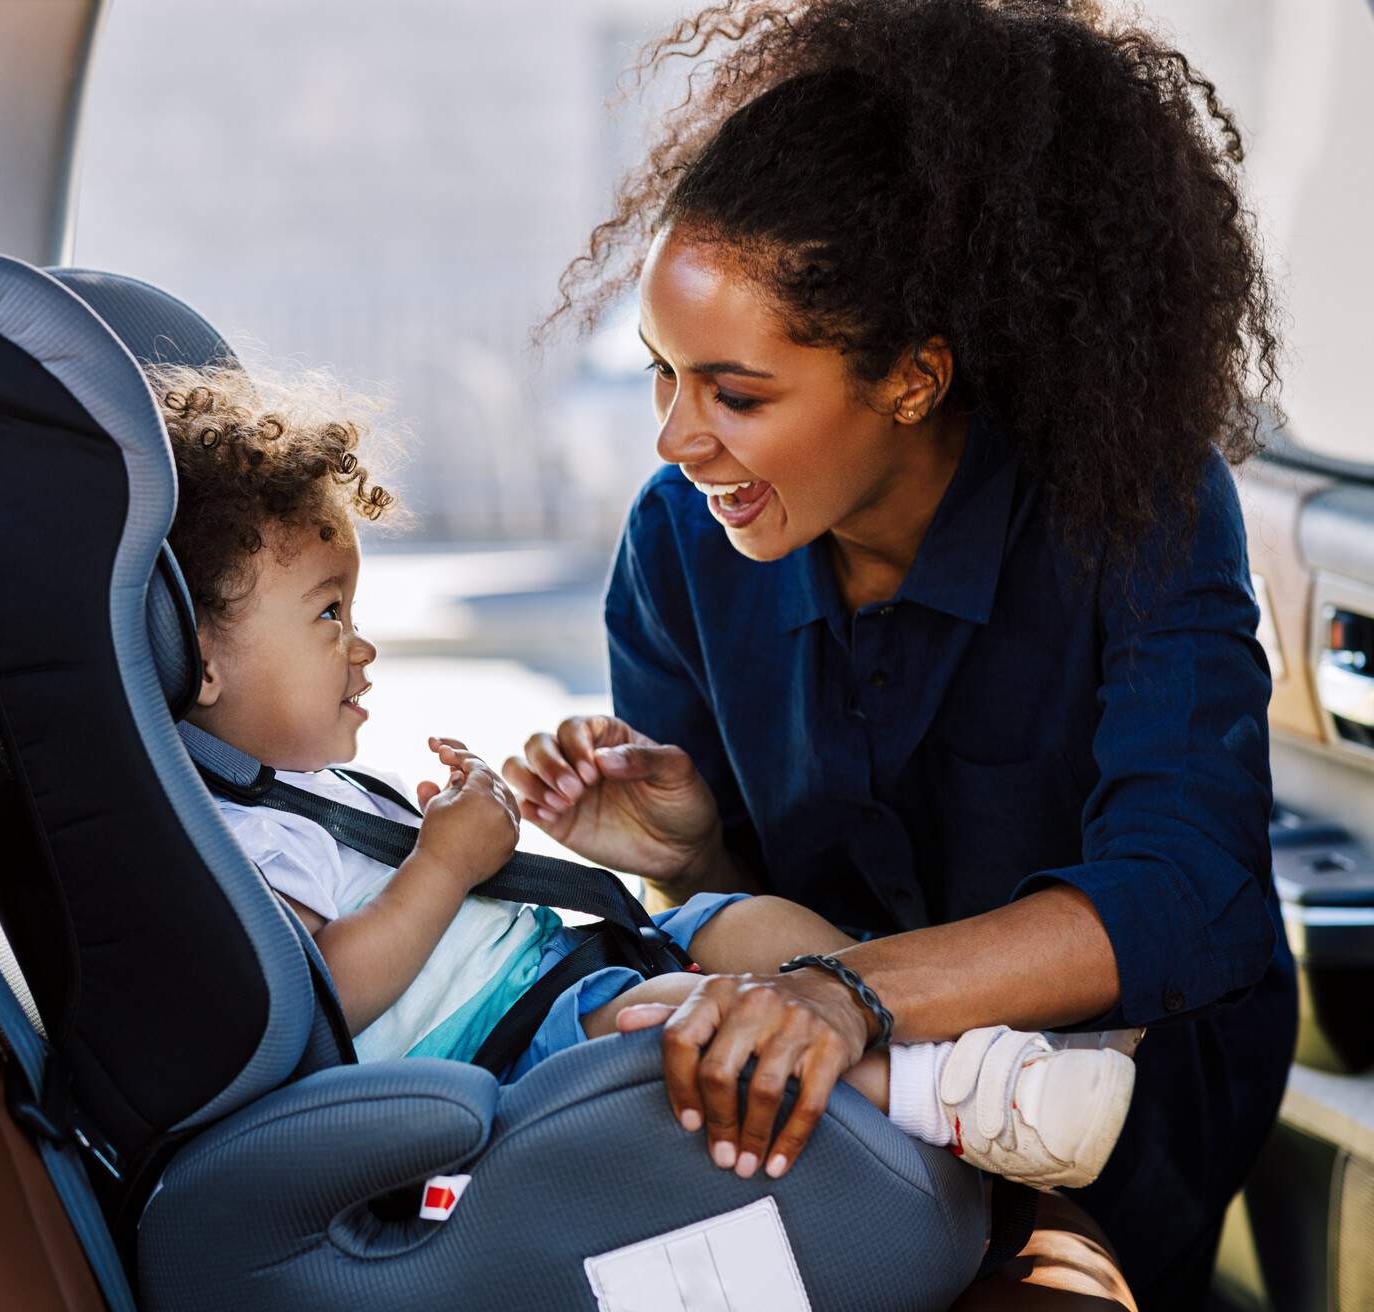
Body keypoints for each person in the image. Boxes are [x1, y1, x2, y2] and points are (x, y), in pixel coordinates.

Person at [508, 1, 1298, 1307]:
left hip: (1096, 1121)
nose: (675, 441)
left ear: (915, 378)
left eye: (735, 394)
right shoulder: (680, 546)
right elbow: (746, 929)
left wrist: (845, 994)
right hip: (831, 1108)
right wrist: (693, 857)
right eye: (661, 375)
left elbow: (1187, 890)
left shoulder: (1137, 506)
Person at [153, 359, 1135, 1191]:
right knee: (675, 1021)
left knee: (737, 920)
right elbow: (326, 994)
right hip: (498, 1053)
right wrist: (442, 866)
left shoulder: (306, 793)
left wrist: (453, 829)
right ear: (197, 657)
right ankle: (954, 1103)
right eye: (329, 616)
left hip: (559, 972)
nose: (360, 649)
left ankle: (953, 1045)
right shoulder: (229, 838)